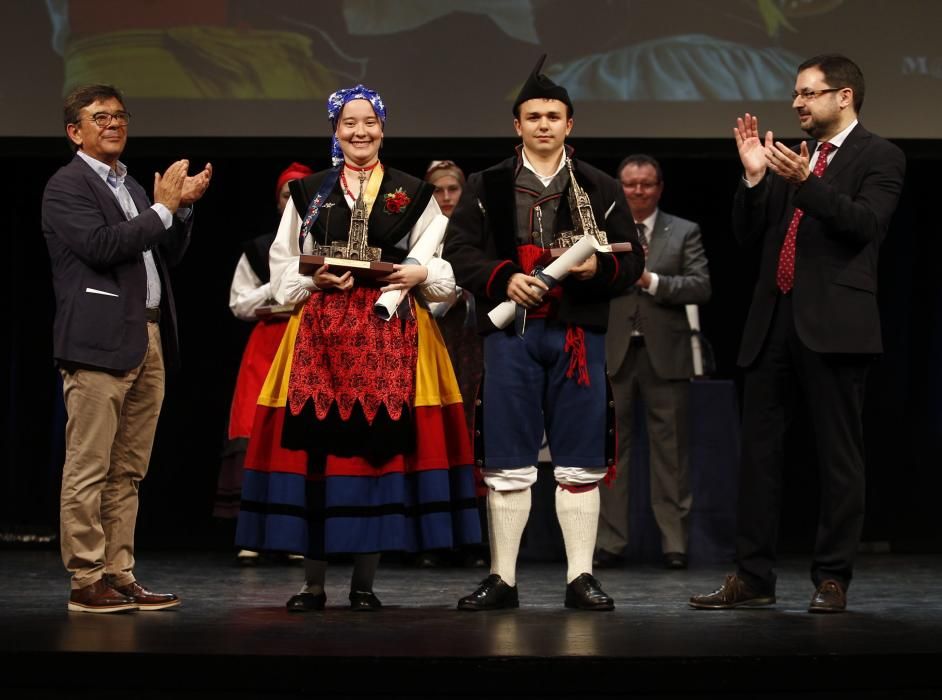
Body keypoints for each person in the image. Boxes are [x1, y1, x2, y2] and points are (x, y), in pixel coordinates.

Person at [235, 85, 481, 611]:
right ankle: (313, 583)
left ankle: (365, 584)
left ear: (383, 128)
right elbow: (283, 269)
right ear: (335, 130)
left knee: (378, 458)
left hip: (390, 335)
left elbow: (439, 269)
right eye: (349, 123)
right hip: (319, 341)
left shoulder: (413, 193)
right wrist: (313, 281)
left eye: (369, 122)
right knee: (317, 457)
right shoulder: (309, 192)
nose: (360, 132)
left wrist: (416, 274)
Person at [689, 55, 905, 613]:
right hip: (773, 321)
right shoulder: (791, 158)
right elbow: (748, 234)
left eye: (808, 94)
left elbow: (864, 225)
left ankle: (832, 578)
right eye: (796, 94)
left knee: (838, 458)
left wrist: (806, 182)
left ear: (844, 97)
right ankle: (753, 577)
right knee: (758, 457)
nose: (796, 104)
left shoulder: (880, 156)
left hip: (835, 325)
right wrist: (755, 178)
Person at [445, 56, 645, 611]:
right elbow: (458, 252)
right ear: (517, 124)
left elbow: (631, 264)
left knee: (579, 456)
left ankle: (580, 577)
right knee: (507, 457)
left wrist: (594, 270)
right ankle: (502, 579)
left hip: (578, 336)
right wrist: (503, 279)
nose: (543, 125)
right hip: (512, 337)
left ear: (569, 124)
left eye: (553, 116)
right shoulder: (485, 185)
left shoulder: (600, 187)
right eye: (532, 115)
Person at [42, 84, 212, 613]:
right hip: (97, 340)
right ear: (76, 131)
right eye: (100, 117)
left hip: (148, 335)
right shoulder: (66, 186)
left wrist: (179, 212)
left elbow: (164, 253)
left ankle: (118, 573)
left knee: (128, 469)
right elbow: (101, 246)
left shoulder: (133, 186)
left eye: (119, 116)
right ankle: (85, 578)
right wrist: (162, 210)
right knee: (88, 466)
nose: (113, 124)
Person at [596, 154, 711, 570]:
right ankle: (611, 542)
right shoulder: (604, 231)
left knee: (672, 452)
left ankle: (674, 544)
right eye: (630, 184)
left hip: (667, 355)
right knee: (613, 453)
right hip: (616, 352)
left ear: (659, 187)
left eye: (646, 184)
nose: (638, 191)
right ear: (619, 187)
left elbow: (700, 285)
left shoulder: (684, 231)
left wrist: (652, 281)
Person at [213, 162, 313, 565]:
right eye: (285, 194)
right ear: (277, 202)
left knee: (300, 438)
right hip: (267, 346)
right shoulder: (258, 249)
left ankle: (294, 534)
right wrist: (277, 289)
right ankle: (252, 533)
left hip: (308, 345)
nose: (292, 201)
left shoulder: (324, 244)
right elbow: (240, 303)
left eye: (299, 195)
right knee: (254, 435)